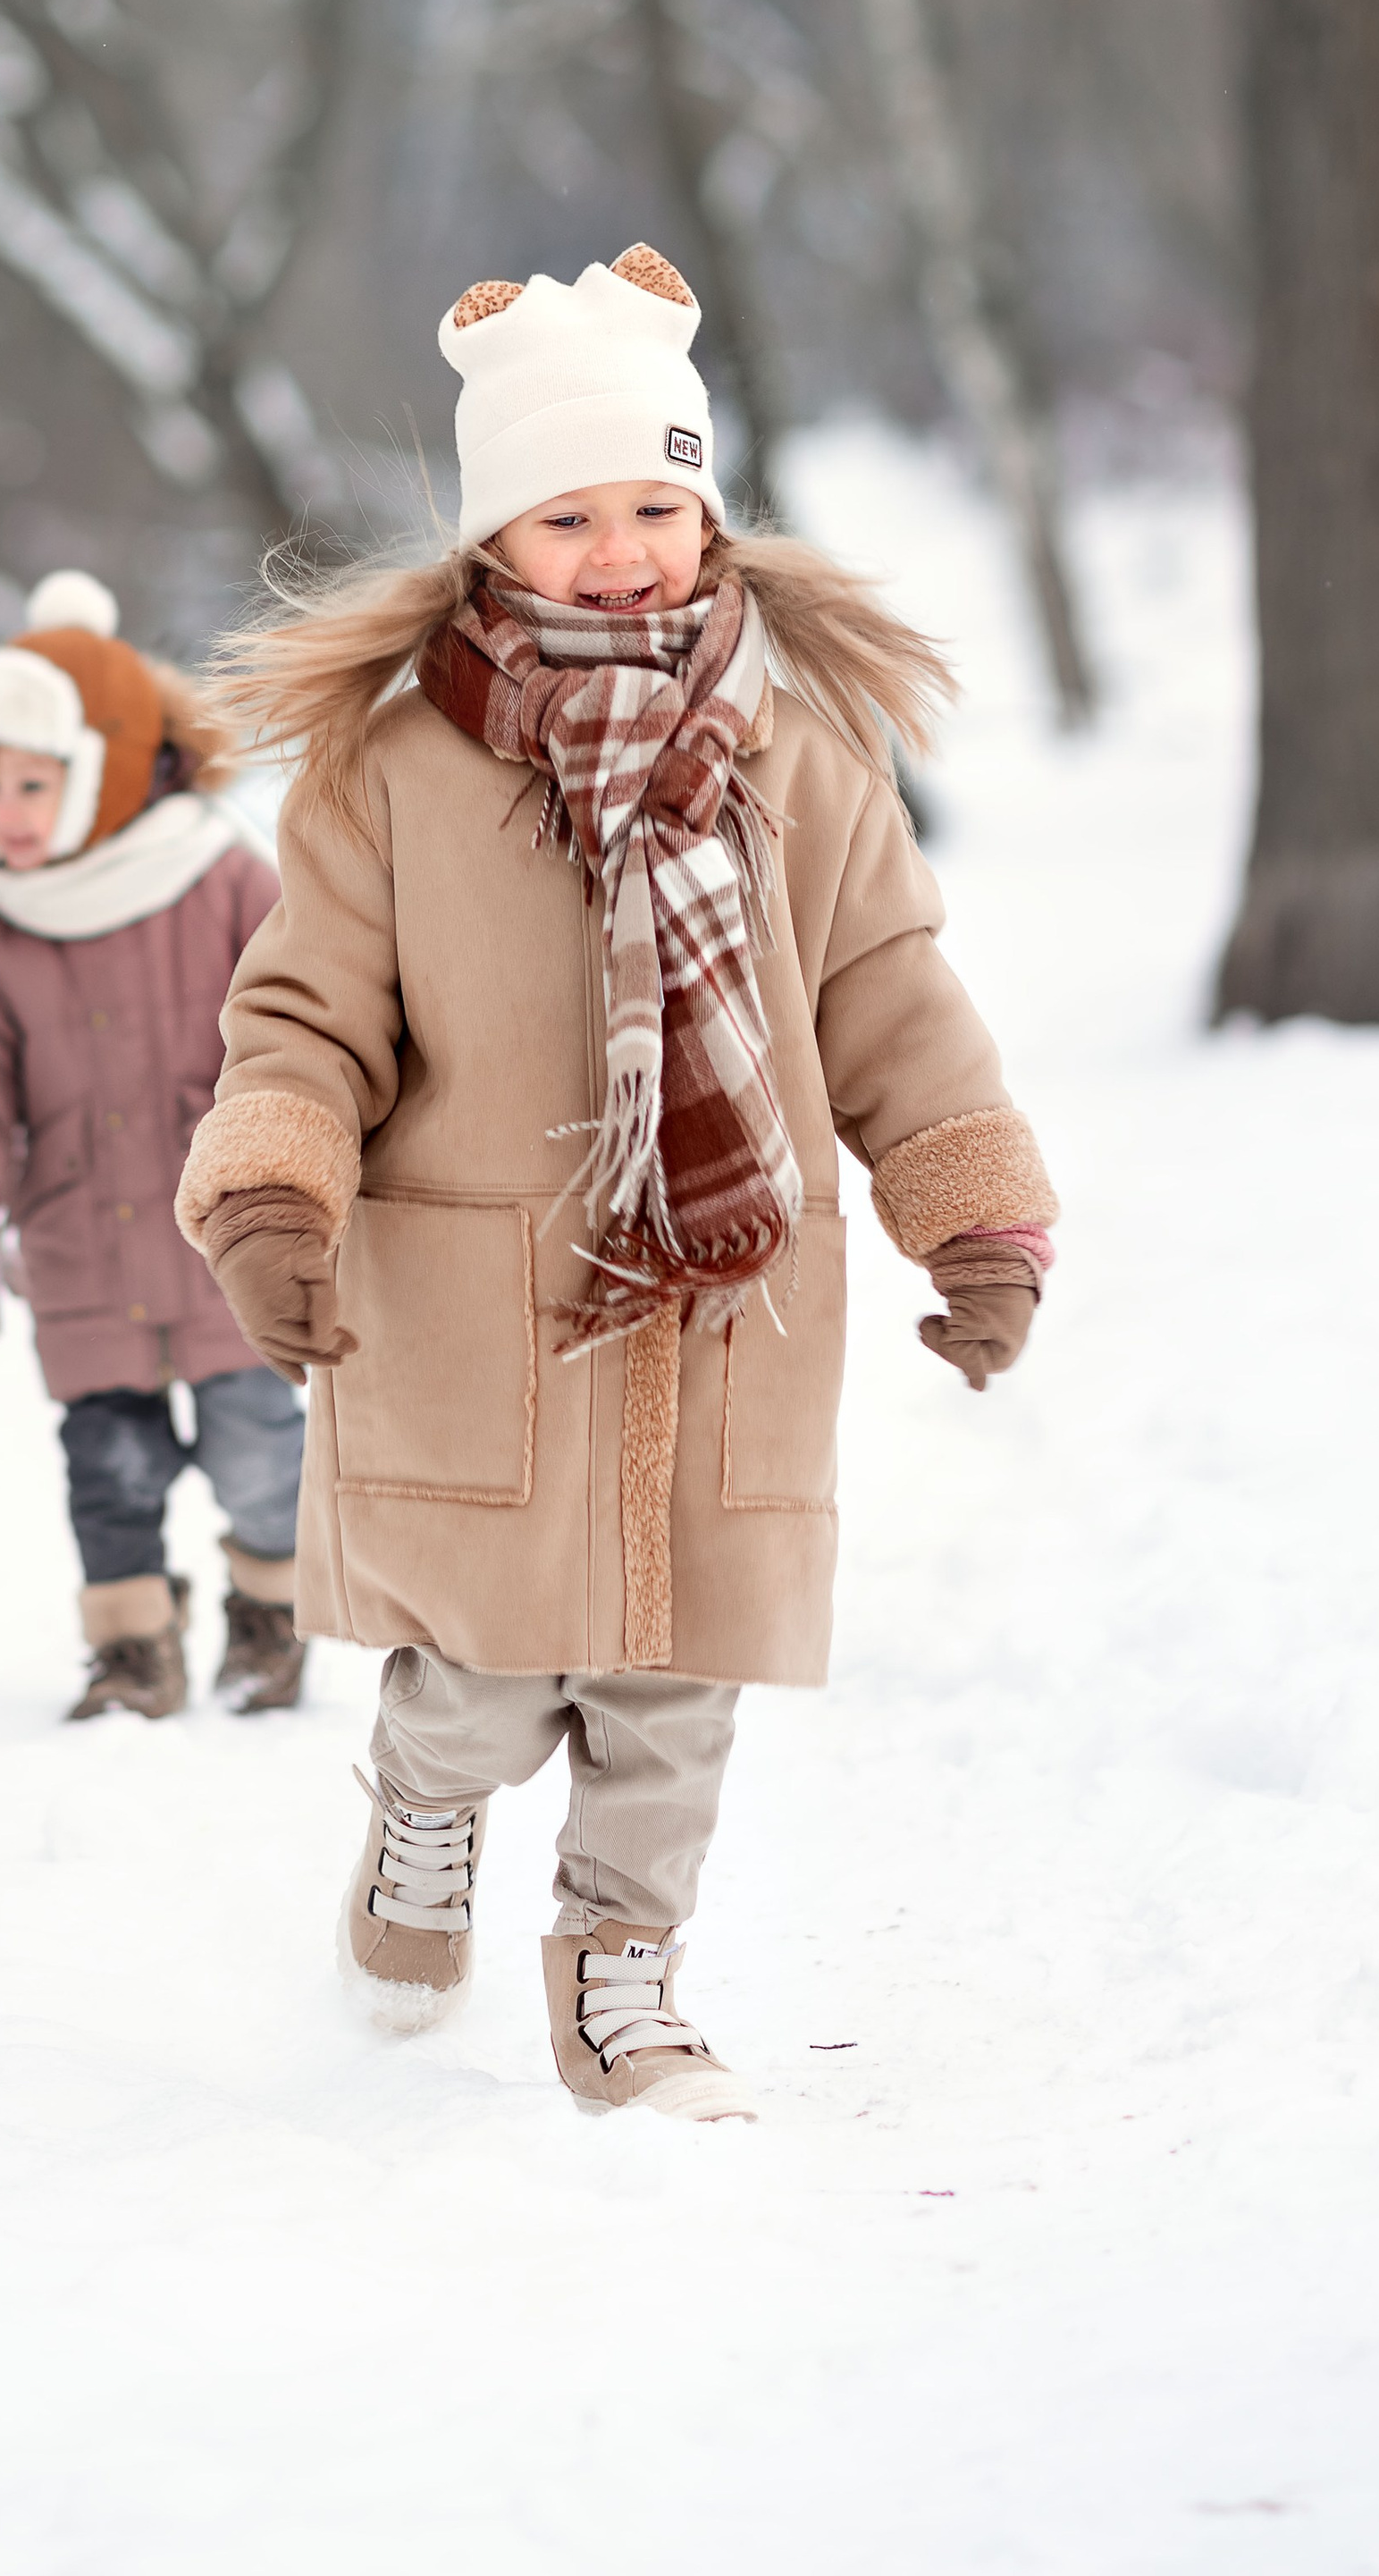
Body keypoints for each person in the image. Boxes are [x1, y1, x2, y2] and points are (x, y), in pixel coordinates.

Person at [175, 248, 1057, 2120]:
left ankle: (624, 1988)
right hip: (482, 1314)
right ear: (496, 537)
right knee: (487, 1677)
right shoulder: (391, 768)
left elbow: (887, 993)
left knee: (673, 1696)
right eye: (567, 514)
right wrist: (271, 1196)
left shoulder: (796, 747)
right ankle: (422, 1813)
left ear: (708, 507)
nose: (622, 549)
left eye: (656, 502)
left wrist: (971, 1214)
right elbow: (305, 1021)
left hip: (726, 1303)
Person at [0, 570, 308, 1724]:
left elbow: (310, 1021)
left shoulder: (224, 883)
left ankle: (270, 1616)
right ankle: (134, 1655)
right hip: (83, 1256)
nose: (9, 810)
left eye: (36, 782)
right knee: (109, 1473)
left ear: (108, 771)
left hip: (231, 1246)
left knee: (260, 1459)